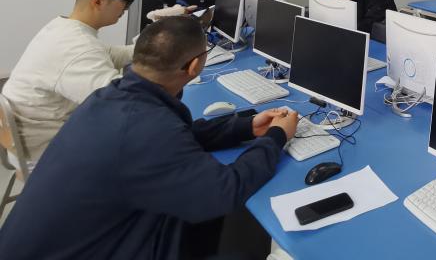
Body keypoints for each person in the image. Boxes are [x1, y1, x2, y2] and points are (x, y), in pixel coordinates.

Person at [0, 16, 299, 260]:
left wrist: (246, 127)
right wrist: (276, 137)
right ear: (194, 67)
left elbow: (174, 137)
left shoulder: (111, 97)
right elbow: (223, 192)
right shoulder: (147, 128)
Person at [1, 0, 141, 168]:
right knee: (147, 145)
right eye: (128, 1)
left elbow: (112, 54)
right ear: (99, 1)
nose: (127, 9)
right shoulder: (77, 47)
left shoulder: (63, 27)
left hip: (33, 140)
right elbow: (120, 103)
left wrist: (158, 40)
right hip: (47, 155)